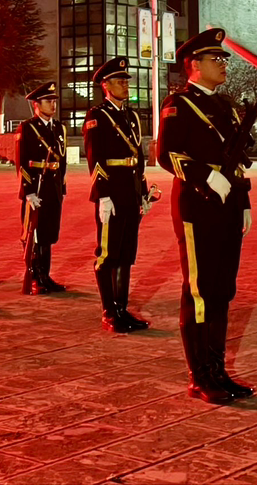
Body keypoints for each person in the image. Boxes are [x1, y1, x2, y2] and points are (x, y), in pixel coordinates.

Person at [157, 29, 255, 403]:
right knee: (200, 291)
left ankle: (218, 369)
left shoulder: (224, 106)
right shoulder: (178, 104)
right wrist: (205, 175)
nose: (223, 65)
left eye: (224, 59)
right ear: (194, 65)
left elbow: (235, 160)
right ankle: (200, 376)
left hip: (228, 202)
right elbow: (167, 153)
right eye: (216, 59)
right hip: (198, 205)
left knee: (222, 290)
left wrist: (244, 202)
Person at [84, 56, 152, 333]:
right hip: (112, 192)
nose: (125, 84)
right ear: (106, 86)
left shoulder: (131, 116)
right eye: (119, 81)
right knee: (108, 254)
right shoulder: (97, 116)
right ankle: (109, 312)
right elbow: (95, 158)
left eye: (126, 80)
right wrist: (103, 195)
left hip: (130, 191)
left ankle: (122, 309)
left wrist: (143, 192)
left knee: (126, 254)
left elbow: (138, 157)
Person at [15, 81, 68, 295]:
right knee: (33, 235)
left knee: (48, 234)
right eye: (48, 101)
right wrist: (28, 191)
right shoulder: (27, 128)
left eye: (54, 101)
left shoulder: (59, 128)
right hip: (36, 186)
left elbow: (62, 161)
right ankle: (34, 276)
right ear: (36, 104)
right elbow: (21, 162)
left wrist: (61, 187)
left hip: (52, 187)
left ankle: (45, 275)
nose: (53, 105)